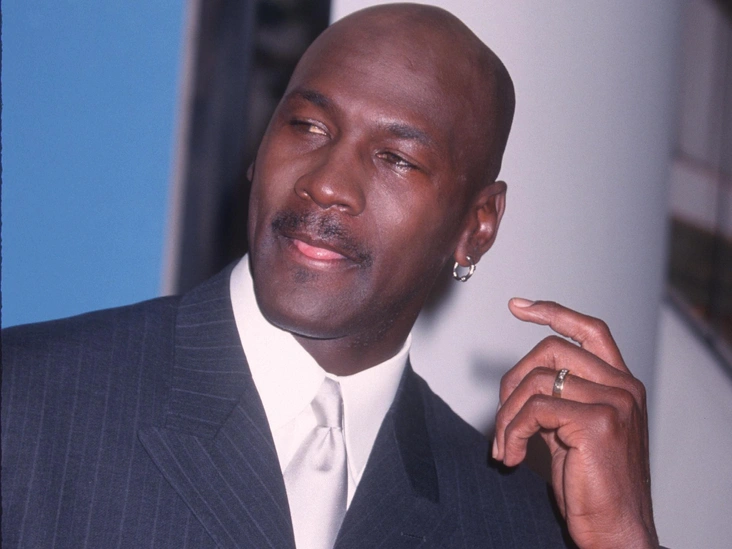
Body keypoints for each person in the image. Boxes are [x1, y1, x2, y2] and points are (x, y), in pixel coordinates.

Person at [2, 3, 662, 548]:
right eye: (309, 126)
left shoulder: (512, 523)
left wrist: (624, 539)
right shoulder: (29, 403)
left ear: (477, 225)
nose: (326, 184)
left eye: (396, 158)